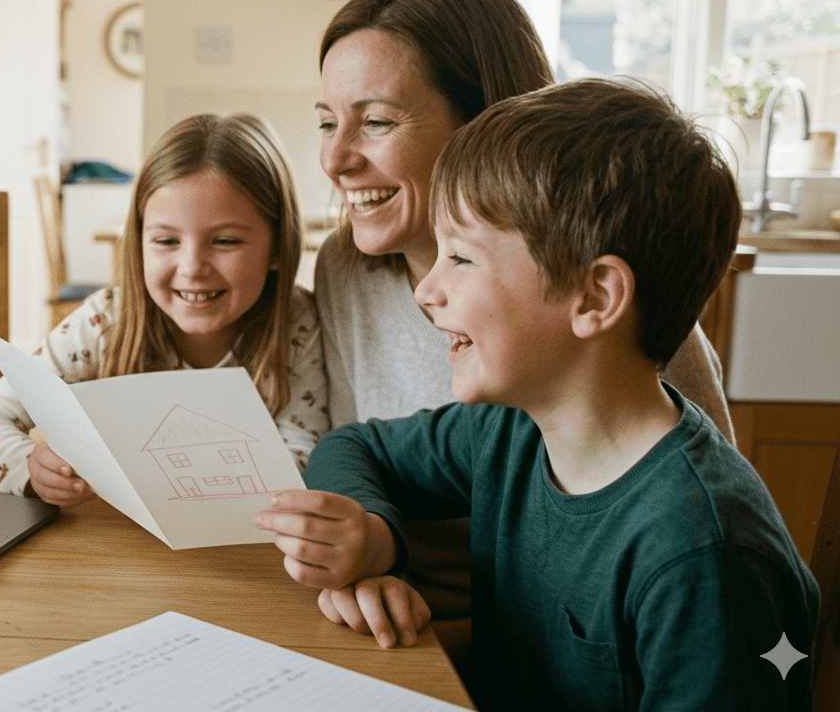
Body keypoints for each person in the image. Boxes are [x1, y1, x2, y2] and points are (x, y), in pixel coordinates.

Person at [258, 79, 819, 710]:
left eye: (462, 259)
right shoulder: (510, 429)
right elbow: (354, 445)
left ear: (595, 297)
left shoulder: (705, 560)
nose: (427, 290)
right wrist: (371, 536)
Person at [309, 0, 735, 638]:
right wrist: (367, 558)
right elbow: (358, 468)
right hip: (415, 637)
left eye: (377, 121)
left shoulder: (605, 318)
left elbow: (696, 520)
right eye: (326, 122)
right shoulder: (345, 269)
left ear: (487, 125)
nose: (334, 159)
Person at [0, 113, 328, 505]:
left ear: (278, 247)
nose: (192, 267)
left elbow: (303, 460)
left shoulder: (297, 327)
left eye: (226, 241)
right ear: (140, 241)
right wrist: (29, 468)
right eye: (166, 241)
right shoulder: (105, 321)